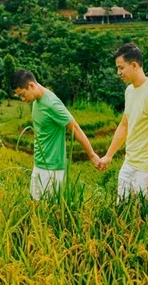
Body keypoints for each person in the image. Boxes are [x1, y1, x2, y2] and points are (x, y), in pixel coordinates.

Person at [97, 43, 148, 211]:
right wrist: (109, 155)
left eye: (121, 68)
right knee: (122, 212)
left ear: (134, 65)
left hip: (147, 170)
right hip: (129, 165)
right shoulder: (130, 91)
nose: (118, 72)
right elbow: (124, 125)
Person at [11, 69, 101, 200]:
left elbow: (74, 127)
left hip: (51, 169)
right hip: (39, 164)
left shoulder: (52, 104)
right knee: (36, 208)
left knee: (49, 213)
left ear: (31, 85)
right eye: (19, 96)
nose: (23, 99)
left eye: (23, 95)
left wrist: (92, 155)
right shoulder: (36, 102)